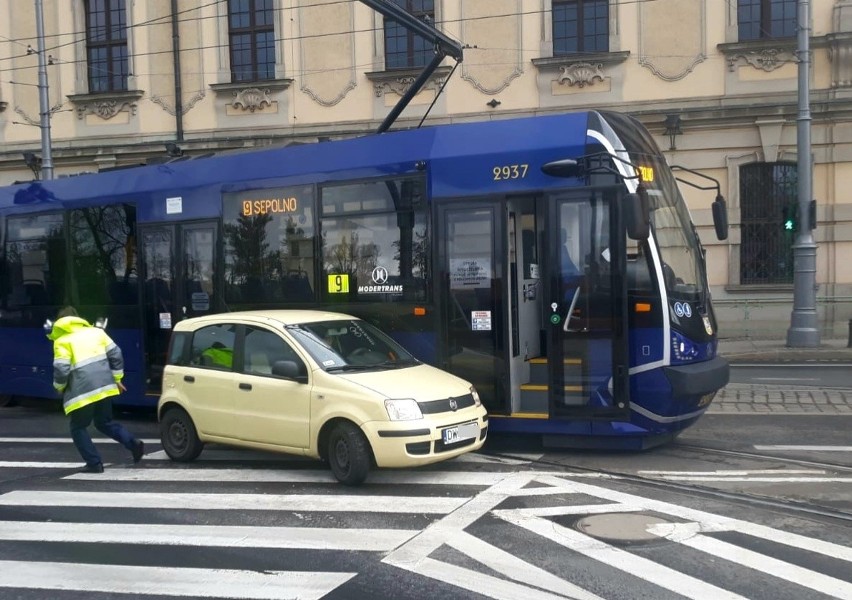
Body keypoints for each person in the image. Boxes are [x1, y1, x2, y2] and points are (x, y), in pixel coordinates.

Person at [47, 306, 144, 473]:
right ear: (78, 318)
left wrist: (59, 387)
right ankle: (133, 443)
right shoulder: (97, 332)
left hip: (82, 391)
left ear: (59, 323)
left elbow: (61, 368)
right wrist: (117, 378)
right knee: (104, 422)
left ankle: (94, 463)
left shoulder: (62, 341)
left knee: (78, 427)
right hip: (105, 386)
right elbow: (116, 354)